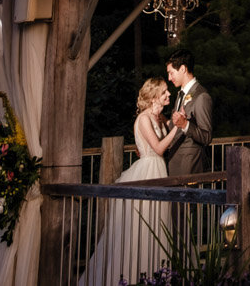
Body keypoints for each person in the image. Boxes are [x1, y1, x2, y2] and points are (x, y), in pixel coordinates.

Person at [78, 77, 180, 285]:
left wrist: (176, 121)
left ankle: (157, 275)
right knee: (142, 225)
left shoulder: (159, 118)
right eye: (164, 92)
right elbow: (159, 148)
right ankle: (133, 275)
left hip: (159, 171)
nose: (168, 95)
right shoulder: (143, 119)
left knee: (158, 224)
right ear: (153, 97)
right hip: (147, 172)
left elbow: (168, 129)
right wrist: (177, 128)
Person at [165, 48, 213, 176]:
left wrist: (185, 125)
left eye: (171, 73)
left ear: (182, 69)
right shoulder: (180, 94)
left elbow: (206, 137)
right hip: (174, 159)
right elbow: (174, 127)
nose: (169, 78)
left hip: (189, 163)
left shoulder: (201, 96)